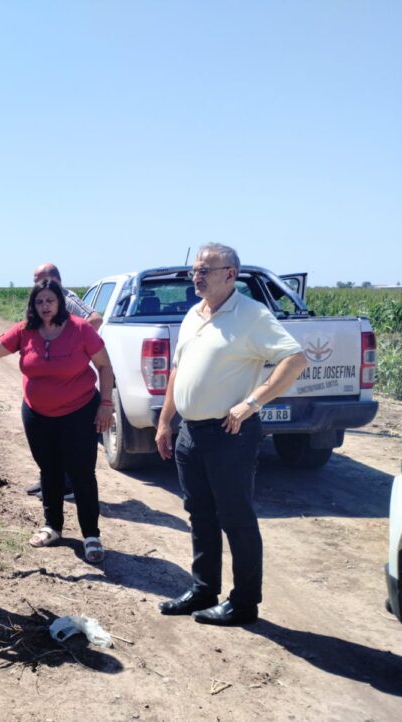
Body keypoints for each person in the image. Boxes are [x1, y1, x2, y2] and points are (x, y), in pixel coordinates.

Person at [156, 244, 307, 626]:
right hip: (190, 432)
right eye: (195, 270)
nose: (197, 276)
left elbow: (295, 358)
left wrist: (252, 402)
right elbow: (178, 372)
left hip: (230, 432)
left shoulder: (252, 315)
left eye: (206, 270)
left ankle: (243, 604)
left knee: (236, 518)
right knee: (200, 514)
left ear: (230, 274)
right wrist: (164, 422)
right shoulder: (193, 314)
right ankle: (204, 590)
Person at [0, 279, 115, 562]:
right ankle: (53, 527)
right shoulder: (25, 331)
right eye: (39, 302)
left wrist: (106, 404)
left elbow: (104, 365)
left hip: (79, 412)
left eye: (50, 300)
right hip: (38, 415)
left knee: (82, 473)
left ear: (60, 302)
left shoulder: (80, 329)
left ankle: (91, 535)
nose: (45, 306)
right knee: (48, 471)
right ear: (33, 305)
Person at [26, 263, 103, 500]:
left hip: (72, 379)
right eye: (35, 279)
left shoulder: (68, 298)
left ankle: (67, 485)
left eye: (41, 278)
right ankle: (49, 480)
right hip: (49, 380)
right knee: (49, 444)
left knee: (70, 441)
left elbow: (95, 318)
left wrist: (69, 339)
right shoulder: (42, 300)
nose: (37, 283)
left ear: (56, 279)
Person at [33, 263, 103, 331]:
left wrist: (72, 340)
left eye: (42, 282)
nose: (38, 286)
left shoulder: (67, 300)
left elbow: (95, 320)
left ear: (57, 280)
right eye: (36, 283)